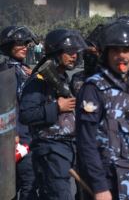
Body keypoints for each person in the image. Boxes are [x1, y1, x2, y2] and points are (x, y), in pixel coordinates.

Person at [75, 21, 129, 200]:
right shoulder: (93, 88)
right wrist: (99, 187)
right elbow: (86, 142)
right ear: (106, 54)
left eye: (126, 50)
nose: (121, 56)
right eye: (115, 50)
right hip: (108, 184)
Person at [20, 29, 87, 200]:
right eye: (69, 52)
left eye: (76, 52)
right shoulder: (38, 80)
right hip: (50, 149)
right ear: (57, 53)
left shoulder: (62, 78)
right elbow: (26, 114)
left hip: (67, 148)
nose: (74, 56)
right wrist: (56, 107)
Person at [0, 26, 38, 199]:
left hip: (28, 134)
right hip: (16, 137)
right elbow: (8, 106)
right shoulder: (6, 71)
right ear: (9, 46)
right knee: (23, 185)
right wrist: (13, 132)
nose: (25, 46)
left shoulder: (24, 69)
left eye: (26, 43)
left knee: (25, 184)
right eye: (20, 43)